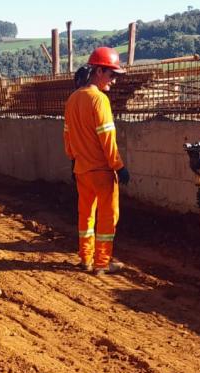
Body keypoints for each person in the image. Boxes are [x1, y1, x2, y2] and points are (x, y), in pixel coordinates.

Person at [63, 46, 130, 276]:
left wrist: (73, 159)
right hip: (102, 170)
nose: (113, 80)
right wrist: (119, 166)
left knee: (86, 215)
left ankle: (86, 258)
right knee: (107, 217)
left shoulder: (72, 99)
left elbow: (67, 136)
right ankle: (102, 263)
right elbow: (107, 137)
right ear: (99, 71)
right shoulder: (99, 99)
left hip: (81, 170)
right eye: (111, 75)